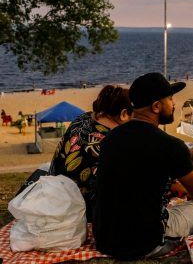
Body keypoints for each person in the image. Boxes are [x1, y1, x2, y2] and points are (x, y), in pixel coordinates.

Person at [93, 72, 193, 260]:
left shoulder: (110, 139)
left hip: (105, 239)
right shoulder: (170, 145)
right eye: (170, 99)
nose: (174, 105)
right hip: (145, 242)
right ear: (156, 106)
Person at [49, 85, 132, 219]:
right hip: (81, 211)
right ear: (123, 114)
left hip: (53, 195)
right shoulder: (111, 140)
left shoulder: (83, 118)